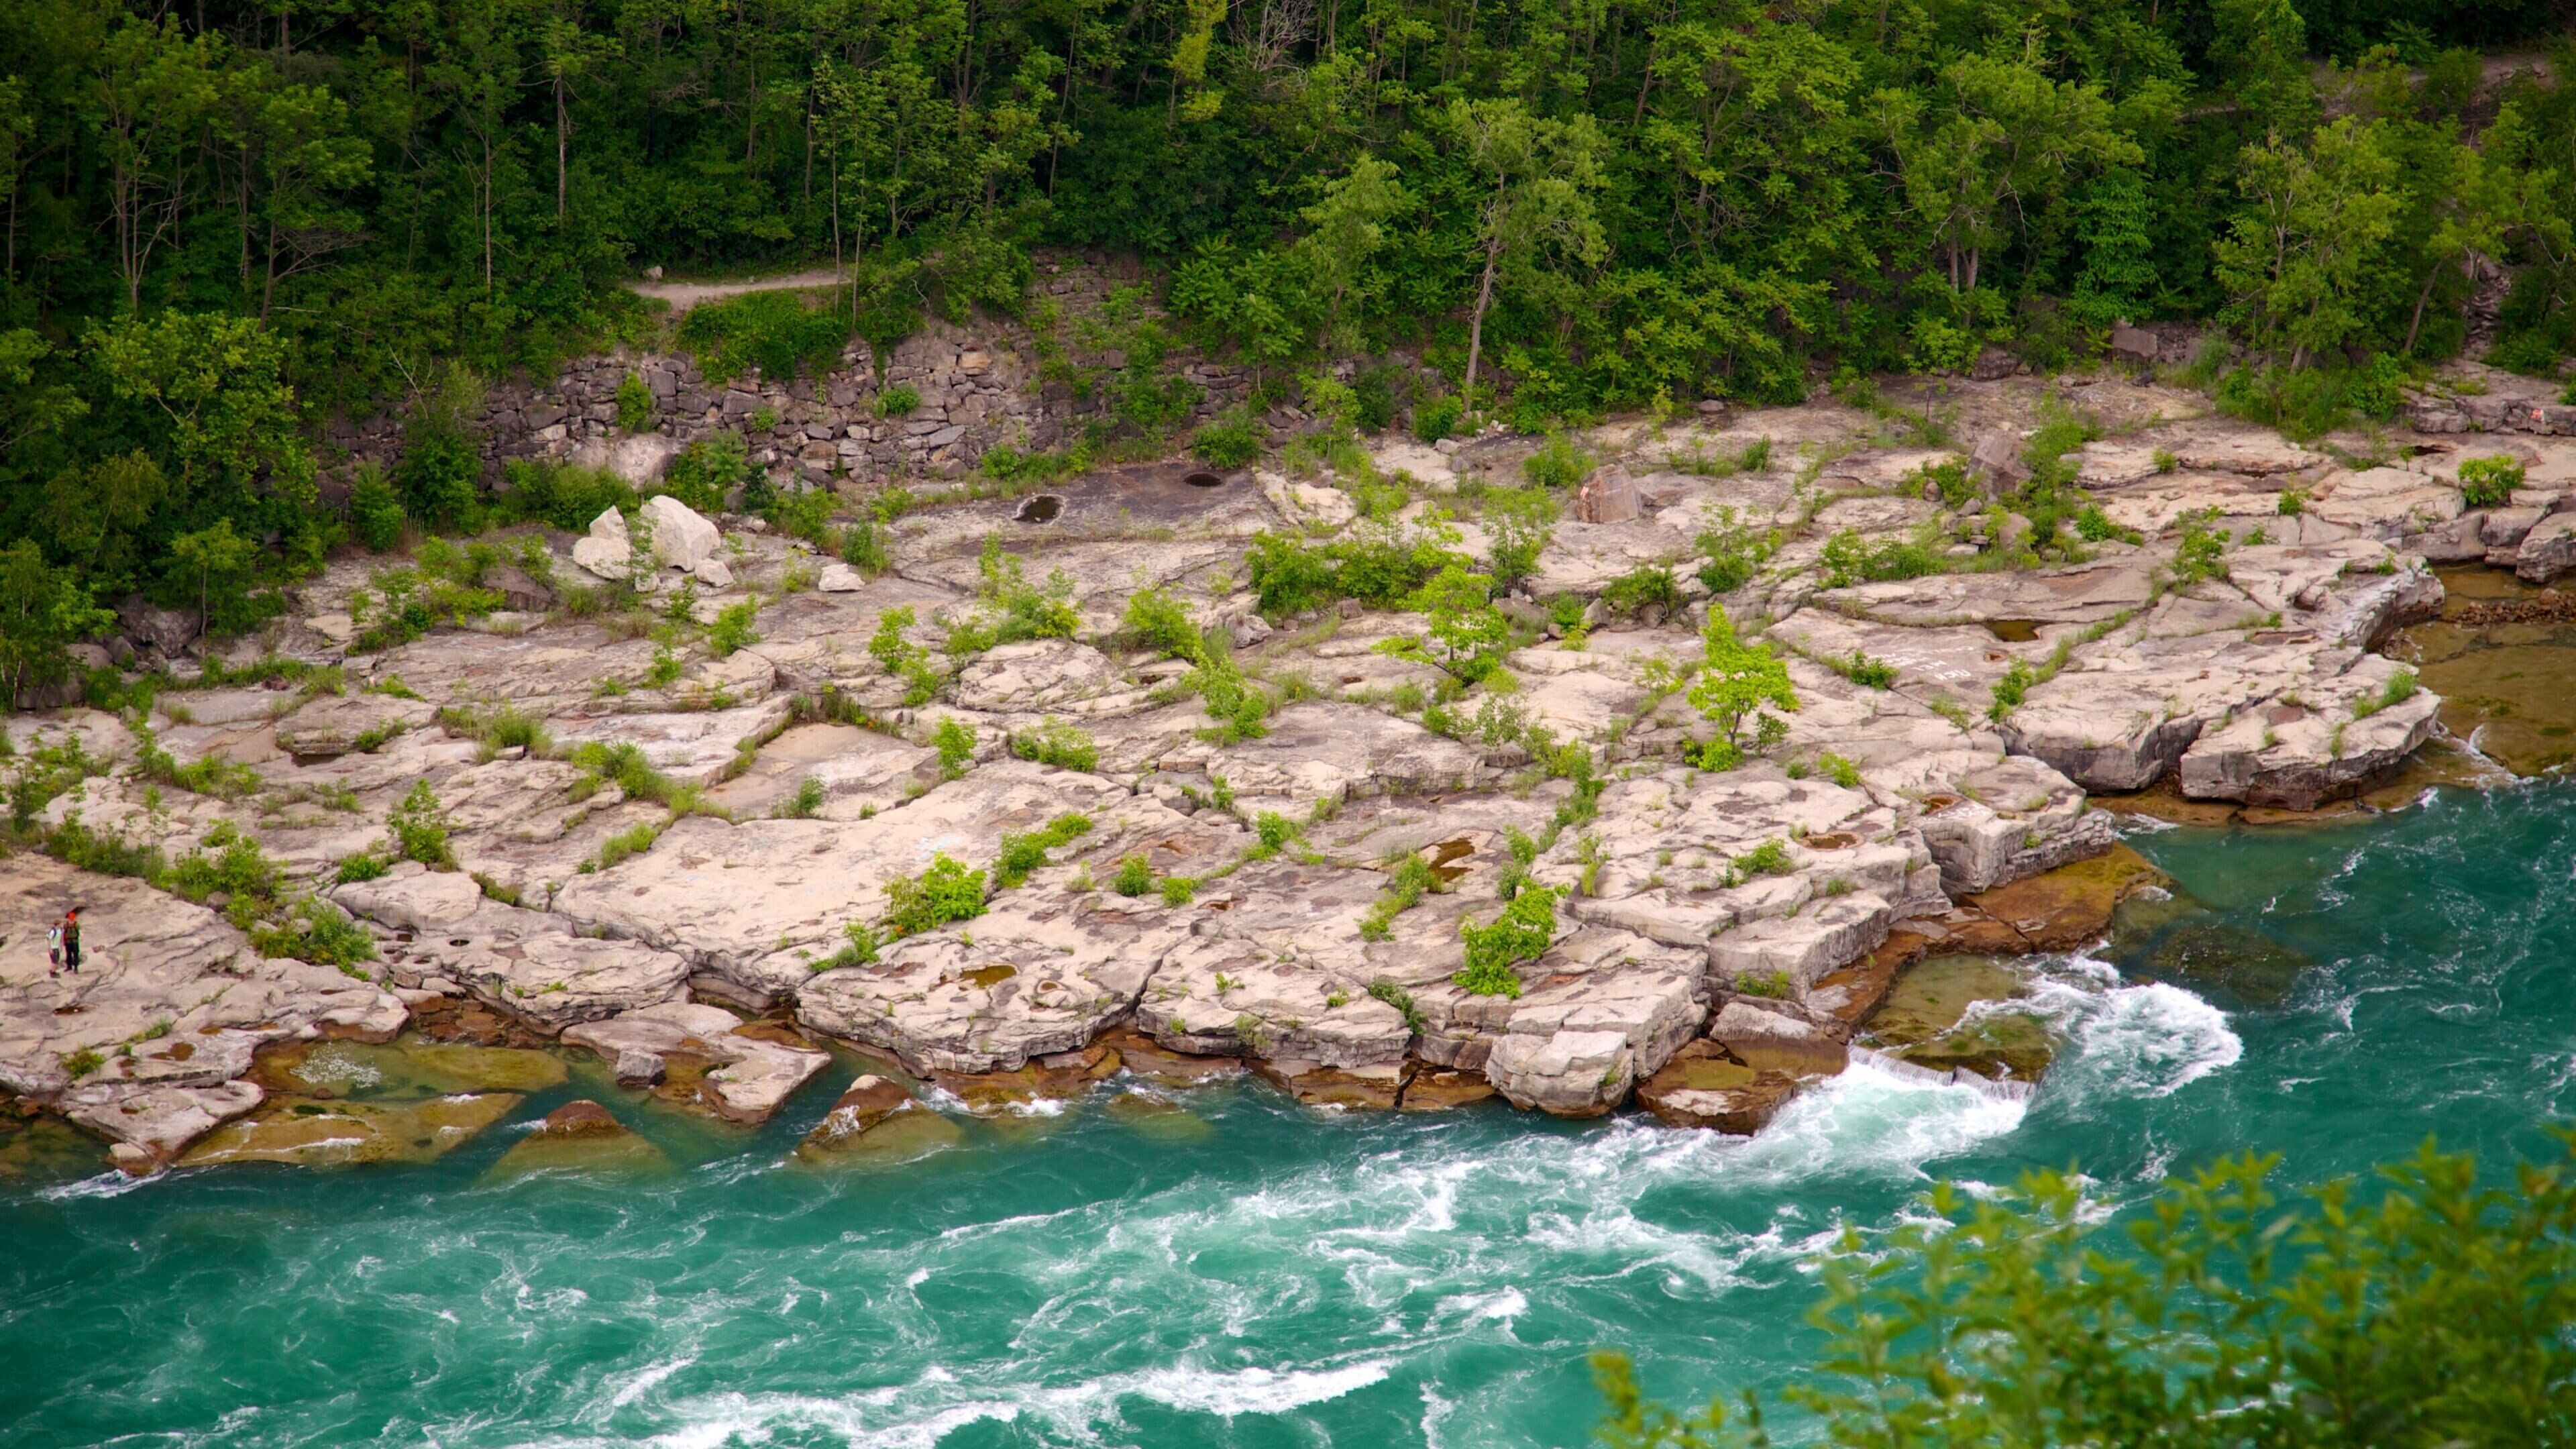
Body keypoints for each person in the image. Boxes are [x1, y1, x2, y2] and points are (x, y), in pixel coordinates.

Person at [58, 908, 80, 975]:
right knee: (70, 955)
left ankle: (74, 967)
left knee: (74, 955)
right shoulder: (67, 925)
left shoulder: (75, 925)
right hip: (71, 942)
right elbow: (63, 933)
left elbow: (79, 932)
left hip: (73, 941)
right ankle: (70, 967)